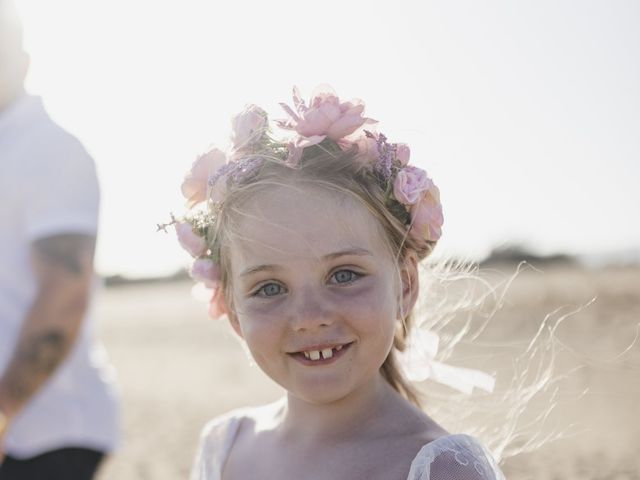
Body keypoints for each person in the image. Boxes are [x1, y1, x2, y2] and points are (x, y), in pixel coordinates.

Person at [171, 85, 505, 479]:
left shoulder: (438, 469)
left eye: (344, 275)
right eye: (270, 288)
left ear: (405, 285)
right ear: (233, 313)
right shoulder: (226, 446)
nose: (309, 318)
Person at [0, 1, 120, 478]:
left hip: (43, 433)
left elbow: (65, 294)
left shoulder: (49, 151)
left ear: (23, 63)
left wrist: (3, 411)